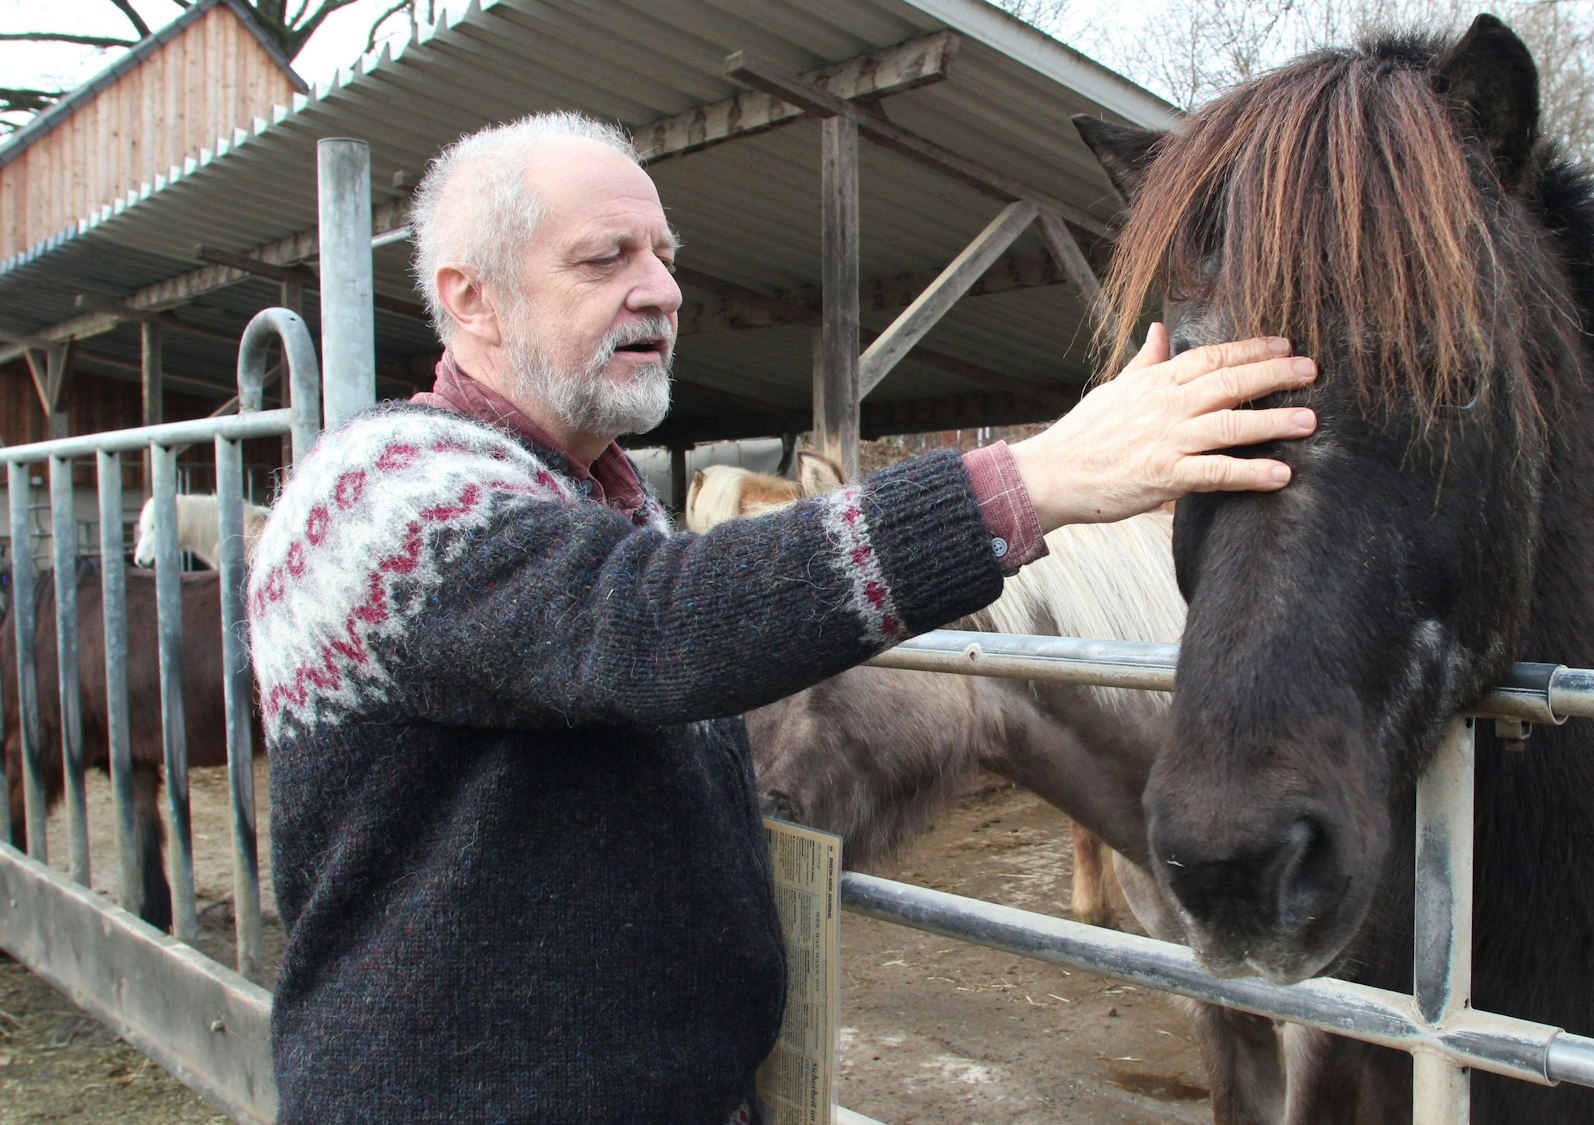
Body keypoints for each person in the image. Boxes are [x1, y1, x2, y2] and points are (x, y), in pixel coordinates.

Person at [246, 112, 1317, 1124]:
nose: (660, 290)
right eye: (603, 258)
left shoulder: (583, 499)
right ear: (470, 300)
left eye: (664, 255)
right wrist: (1032, 480)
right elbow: (652, 626)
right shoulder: (386, 497)